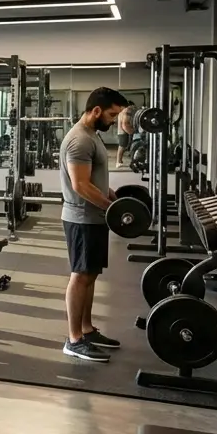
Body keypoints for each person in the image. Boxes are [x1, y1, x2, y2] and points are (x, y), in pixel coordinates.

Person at [60, 87, 129, 362]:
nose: (114, 120)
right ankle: (74, 339)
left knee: (90, 275)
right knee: (80, 276)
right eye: (112, 114)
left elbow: (94, 180)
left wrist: (111, 195)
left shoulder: (93, 136)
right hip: (82, 219)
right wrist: (111, 208)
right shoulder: (79, 140)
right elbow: (80, 185)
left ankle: (86, 330)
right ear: (97, 110)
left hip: (93, 218)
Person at [115, 102, 138, 168]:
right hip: (123, 132)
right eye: (132, 107)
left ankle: (120, 161)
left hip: (121, 132)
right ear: (129, 106)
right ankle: (118, 162)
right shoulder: (126, 112)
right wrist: (131, 131)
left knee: (123, 147)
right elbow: (124, 125)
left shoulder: (122, 112)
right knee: (122, 147)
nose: (133, 109)